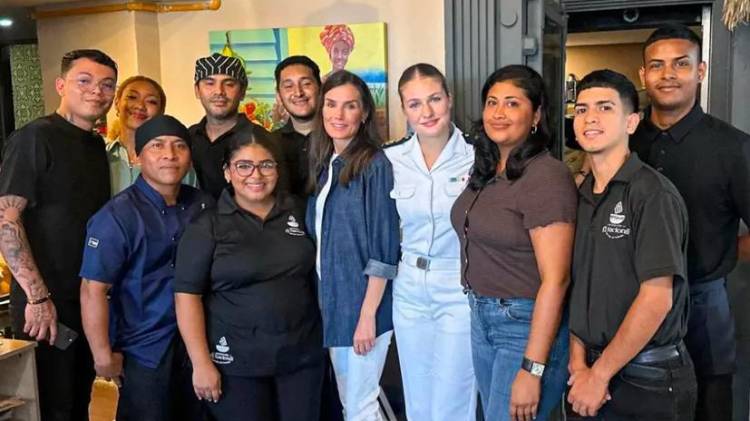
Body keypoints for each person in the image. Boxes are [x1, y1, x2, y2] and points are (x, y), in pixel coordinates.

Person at [630, 24, 750, 421]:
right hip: (630, 304)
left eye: (681, 64)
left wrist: (720, 254)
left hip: (703, 307)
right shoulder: (624, 141)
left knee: (709, 405)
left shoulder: (733, 147)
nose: (668, 74)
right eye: (657, 65)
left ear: (700, 71)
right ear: (642, 74)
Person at [567, 69, 696, 420]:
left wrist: (599, 375)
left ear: (632, 122)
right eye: (581, 109)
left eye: (605, 107)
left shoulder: (652, 194)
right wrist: (578, 364)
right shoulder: (579, 195)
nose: (590, 117)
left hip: (647, 379)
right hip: (586, 375)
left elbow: (656, 299)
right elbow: (578, 286)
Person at [450, 65, 576, 421]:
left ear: (535, 115)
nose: (498, 113)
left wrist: (532, 369)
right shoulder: (488, 169)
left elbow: (557, 280)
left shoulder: (546, 176)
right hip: (482, 316)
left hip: (522, 325)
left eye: (512, 103)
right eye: (492, 102)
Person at [0, 49, 117, 421]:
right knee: (53, 406)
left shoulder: (95, 146)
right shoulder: (35, 137)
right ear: (61, 85)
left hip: (85, 296)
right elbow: (6, 220)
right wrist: (38, 297)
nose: (96, 91)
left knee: (79, 399)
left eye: (107, 85)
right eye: (85, 81)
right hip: (45, 302)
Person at [174, 135, 324, 421]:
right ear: (227, 172)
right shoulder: (208, 225)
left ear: (277, 170)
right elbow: (187, 297)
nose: (256, 175)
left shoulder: (301, 211)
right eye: (243, 166)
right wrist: (201, 363)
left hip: (301, 357)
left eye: (266, 165)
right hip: (235, 363)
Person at [79, 115, 212, 421]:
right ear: (138, 156)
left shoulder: (203, 205)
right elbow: (92, 289)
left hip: (199, 344)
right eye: (157, 146)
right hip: (144, 348)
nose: (170, 154)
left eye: (179, 146)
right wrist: (102, 354)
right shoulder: (117, 216)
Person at [384, 63, 476, 421]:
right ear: (404, 110)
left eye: (434, 99)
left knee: (453, 397)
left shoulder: (476, 156)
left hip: (457, 286)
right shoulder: (391, 159)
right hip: (408, 285)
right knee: (417, 395)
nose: (427, 111)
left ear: (449, 99)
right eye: (415, 103)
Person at [306, 70, 400, 421]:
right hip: (335, 304)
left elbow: (384, 251)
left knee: (360, 407)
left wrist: (366, 317)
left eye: (350, 106)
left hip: (364, 307)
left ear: (364, 113)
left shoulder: (375, 165)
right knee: (355, 404)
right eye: (331, 104)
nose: (339, 114)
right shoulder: (326, 164)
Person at [190, 52, 276, 199]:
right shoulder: (186, 139)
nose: (219, 91)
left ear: (242, 92)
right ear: (197, 90)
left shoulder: (263, 139)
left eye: (229, 84)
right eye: (210, 83)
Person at [107, 75, 197, 194]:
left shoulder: (175, 160)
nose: (140, 106)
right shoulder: (102, 155)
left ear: (161, 111)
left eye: (151, 101)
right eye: (132, 97)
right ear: (117, 103)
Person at [274, 55, 321, 196]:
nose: (298, 93)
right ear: (279, 95)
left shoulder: (338, 139)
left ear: (320, 88)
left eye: (306, 84)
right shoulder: (269, 144)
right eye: (289, 86)